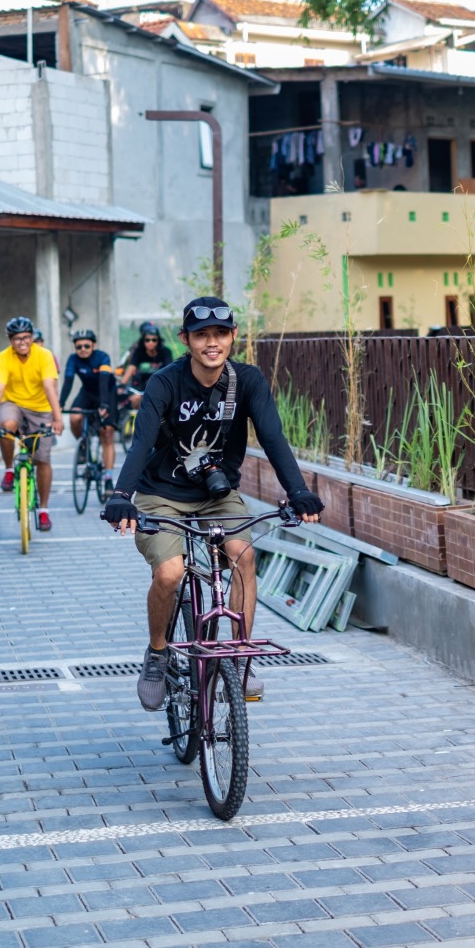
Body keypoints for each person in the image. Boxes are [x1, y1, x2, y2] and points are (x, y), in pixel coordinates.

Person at [103, 296, 324, 711]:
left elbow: (273, 438)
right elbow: (141, 443)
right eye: (201, 335)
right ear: (185, 339)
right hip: (161, 496)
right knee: (170, 574)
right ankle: (157, 654)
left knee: (243, 557)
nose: (211, 343)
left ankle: (240, 659)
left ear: (232, 336)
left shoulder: (248, 381)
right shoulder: (165, 382)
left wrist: (298, 491)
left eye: (220, 334)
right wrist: (120, 496)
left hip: (218, 497)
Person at [0, 316, 64, 531]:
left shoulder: (44, 356)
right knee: (6, 426)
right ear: (10, 340)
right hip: (14, 403)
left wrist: (57, 418)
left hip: (42, 408)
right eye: (17, 339)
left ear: (32, 338)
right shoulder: (3, 358)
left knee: (42, 459)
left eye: (26, 338)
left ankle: (43, 511)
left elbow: (49, 387)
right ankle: (9, 469)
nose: (22, 342)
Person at [60, 329, 118, 494]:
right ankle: (83, 446)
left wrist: (104, 404)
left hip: (107, 392)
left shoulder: (103, 357)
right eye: (79, 347)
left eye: (86, 345)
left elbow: (104, 380)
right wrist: (61, 403)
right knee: (74, 417)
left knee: (106, 433)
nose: (83, 349)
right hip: (87, 393)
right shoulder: (73, 359)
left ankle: (108, 479)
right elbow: (69, 381)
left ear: (93, 345)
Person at [119, 323, 173, 409]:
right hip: (140, 386)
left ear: (158, 340)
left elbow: (170, 371)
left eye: (154, 340)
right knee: (135, 400)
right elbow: (131, 368)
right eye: (147, 340)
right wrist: (121, 385)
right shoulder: (138, 351)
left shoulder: (166, 352)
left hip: (159, 386)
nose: (150, 343)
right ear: (143, 340)